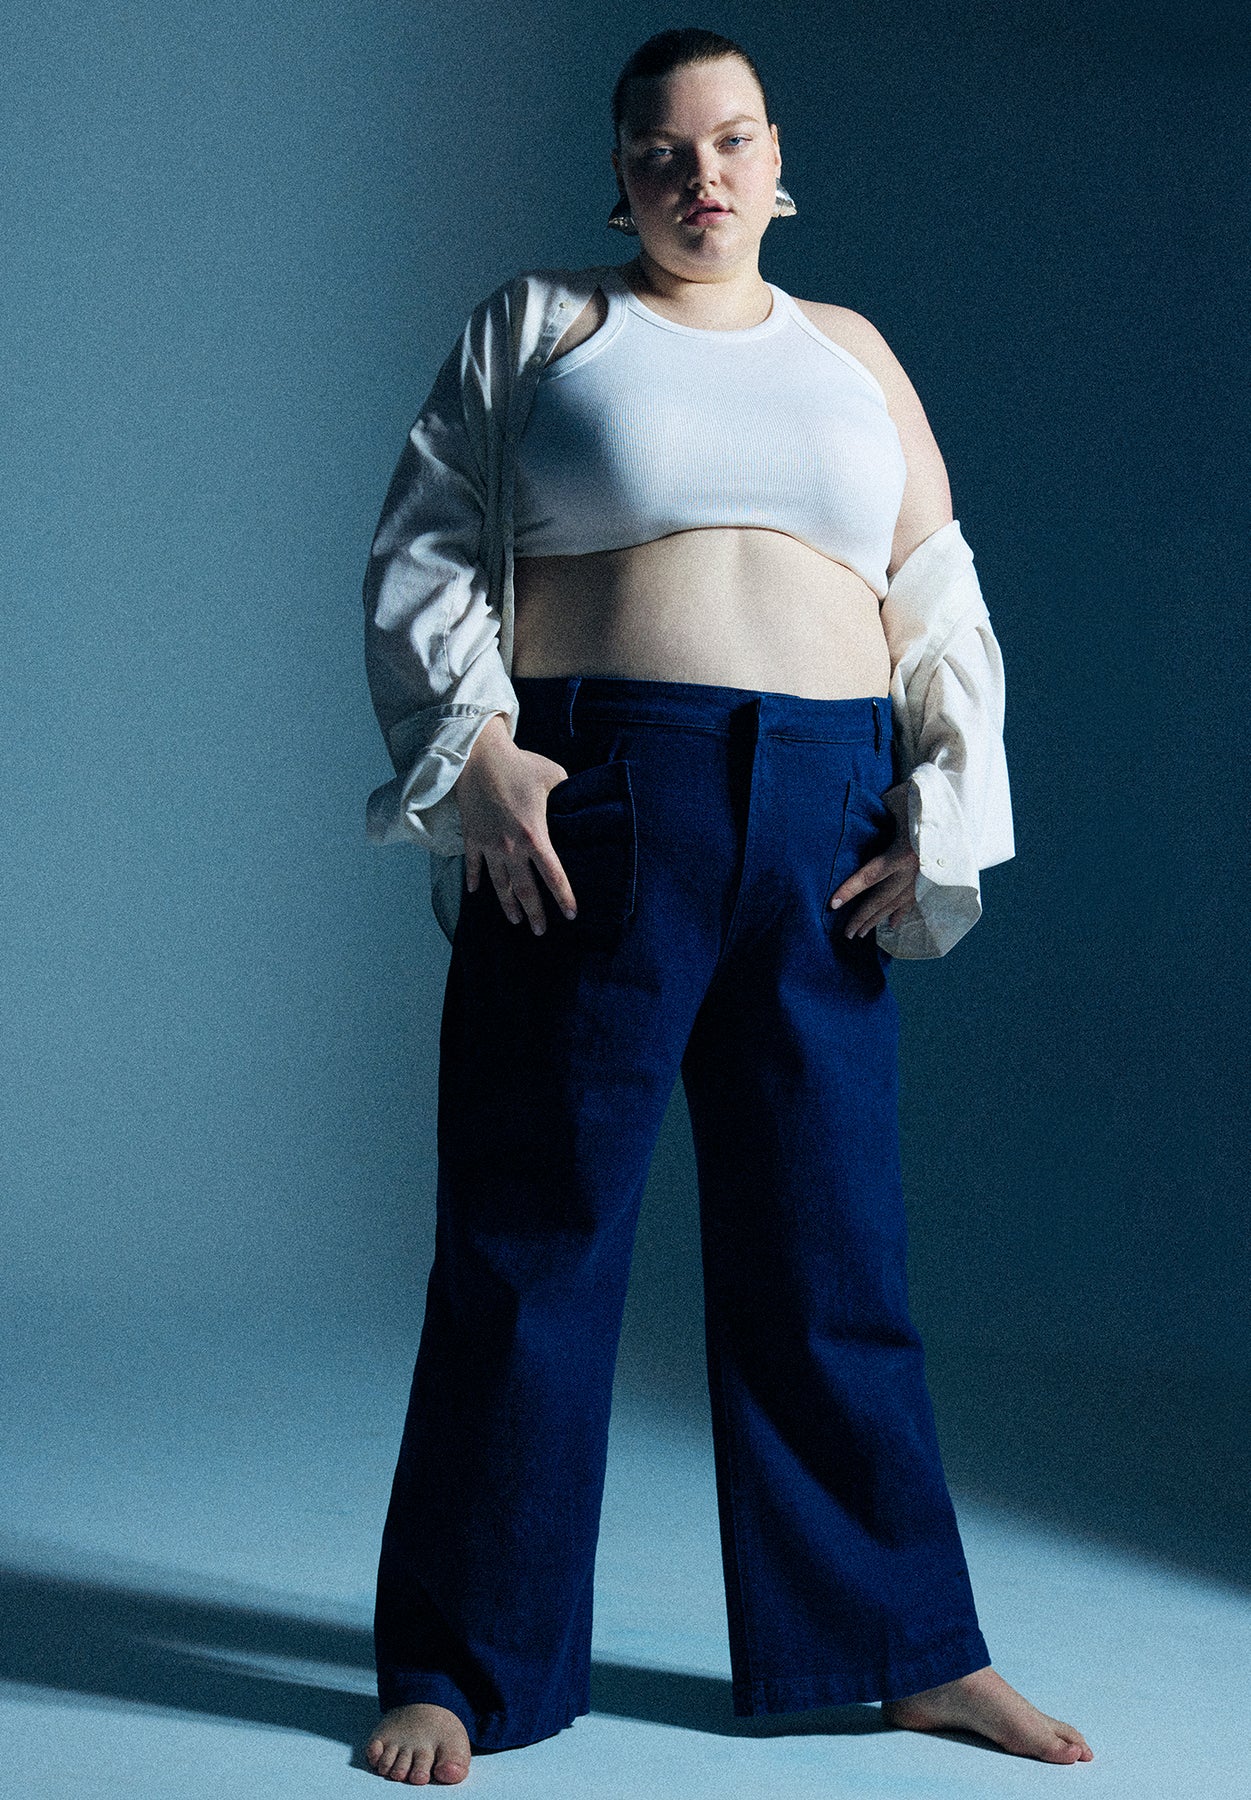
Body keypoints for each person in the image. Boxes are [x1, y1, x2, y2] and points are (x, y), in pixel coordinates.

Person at [359, 27, 1093, 1786]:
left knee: (832, 1251)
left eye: (733, 141)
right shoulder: (548, 325)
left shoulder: (852, 352)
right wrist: (480, 753)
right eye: (663, 151)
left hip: (826, 816)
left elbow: (937, 592)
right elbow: (431, 539)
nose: (702, 176)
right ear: (619, 179)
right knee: (533, 1245)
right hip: (608, 803)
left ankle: (909, 1649)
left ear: (779, 166)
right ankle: (463, 1669)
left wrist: (944, 807)